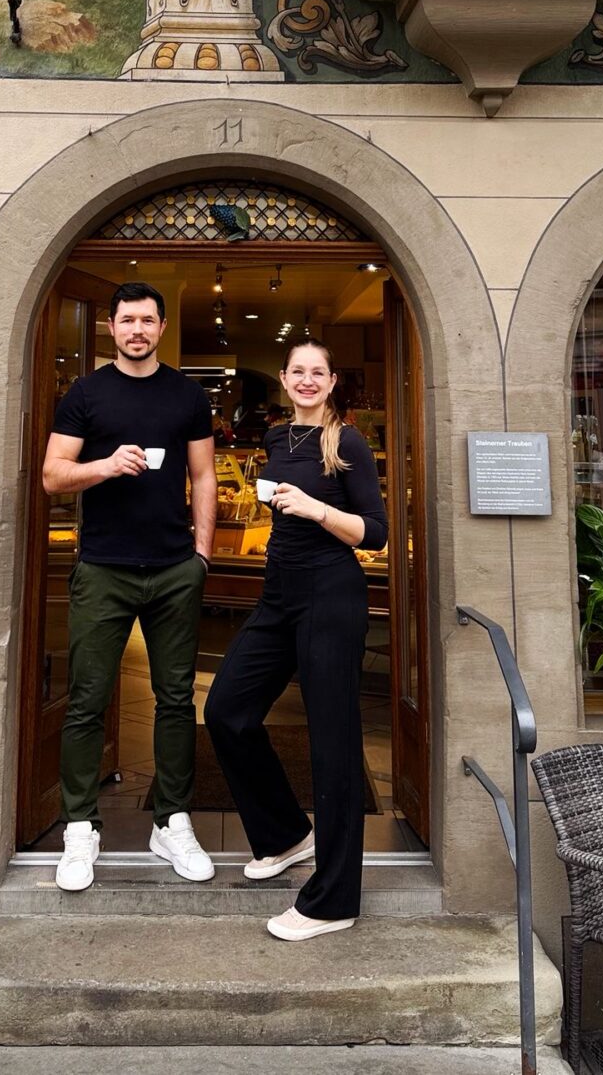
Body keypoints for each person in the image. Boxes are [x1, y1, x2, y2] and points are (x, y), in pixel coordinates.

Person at [204, 340, 388, 941]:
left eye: (319, 372)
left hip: (331, 598)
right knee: (227, 711)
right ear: (284, 379)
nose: (307, 380)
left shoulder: (349, 443)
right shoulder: (278, 440)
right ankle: (286, 834)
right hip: (278, 596)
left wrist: (314, 508)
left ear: (332, 382)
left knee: (332, 743)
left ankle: (335, 901)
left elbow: (376, 534)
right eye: (297, 372)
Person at [42, 281, 217, 892]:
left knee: (175, 701)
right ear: (112, 328)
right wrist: (106, 465)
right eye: (126, 320)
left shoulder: (188, 394)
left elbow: (204, 475)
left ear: (161, 327)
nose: (136, 330)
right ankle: (80, 829)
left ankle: (171, 820)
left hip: (174, 570)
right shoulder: (86, 393)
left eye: (147, 320)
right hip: (104, 569)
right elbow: (52, 474)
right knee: (87, 701)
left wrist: (201, 552)